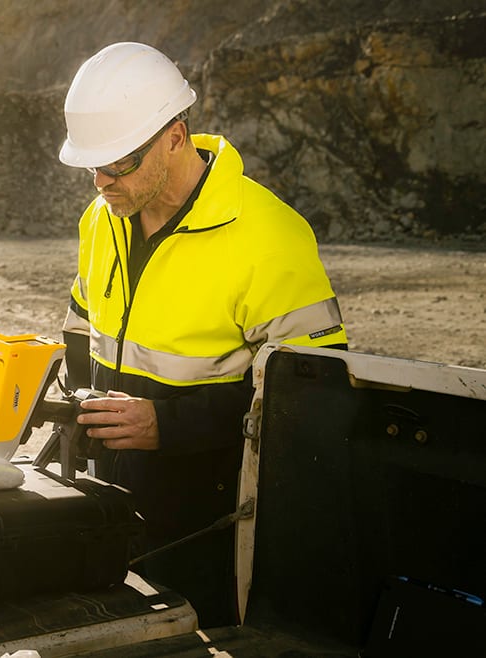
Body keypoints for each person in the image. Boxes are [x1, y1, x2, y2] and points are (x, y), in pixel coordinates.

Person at [56, 42, 347, 628]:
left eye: (121, 163)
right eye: (94, 166)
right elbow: (82, 326)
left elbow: (316, 403)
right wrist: (71, 396)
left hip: (210, 521)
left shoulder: (269, 237)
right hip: (109, 502)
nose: (103, 182)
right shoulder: (101, 218)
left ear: (175, 135)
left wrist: (168, 425)